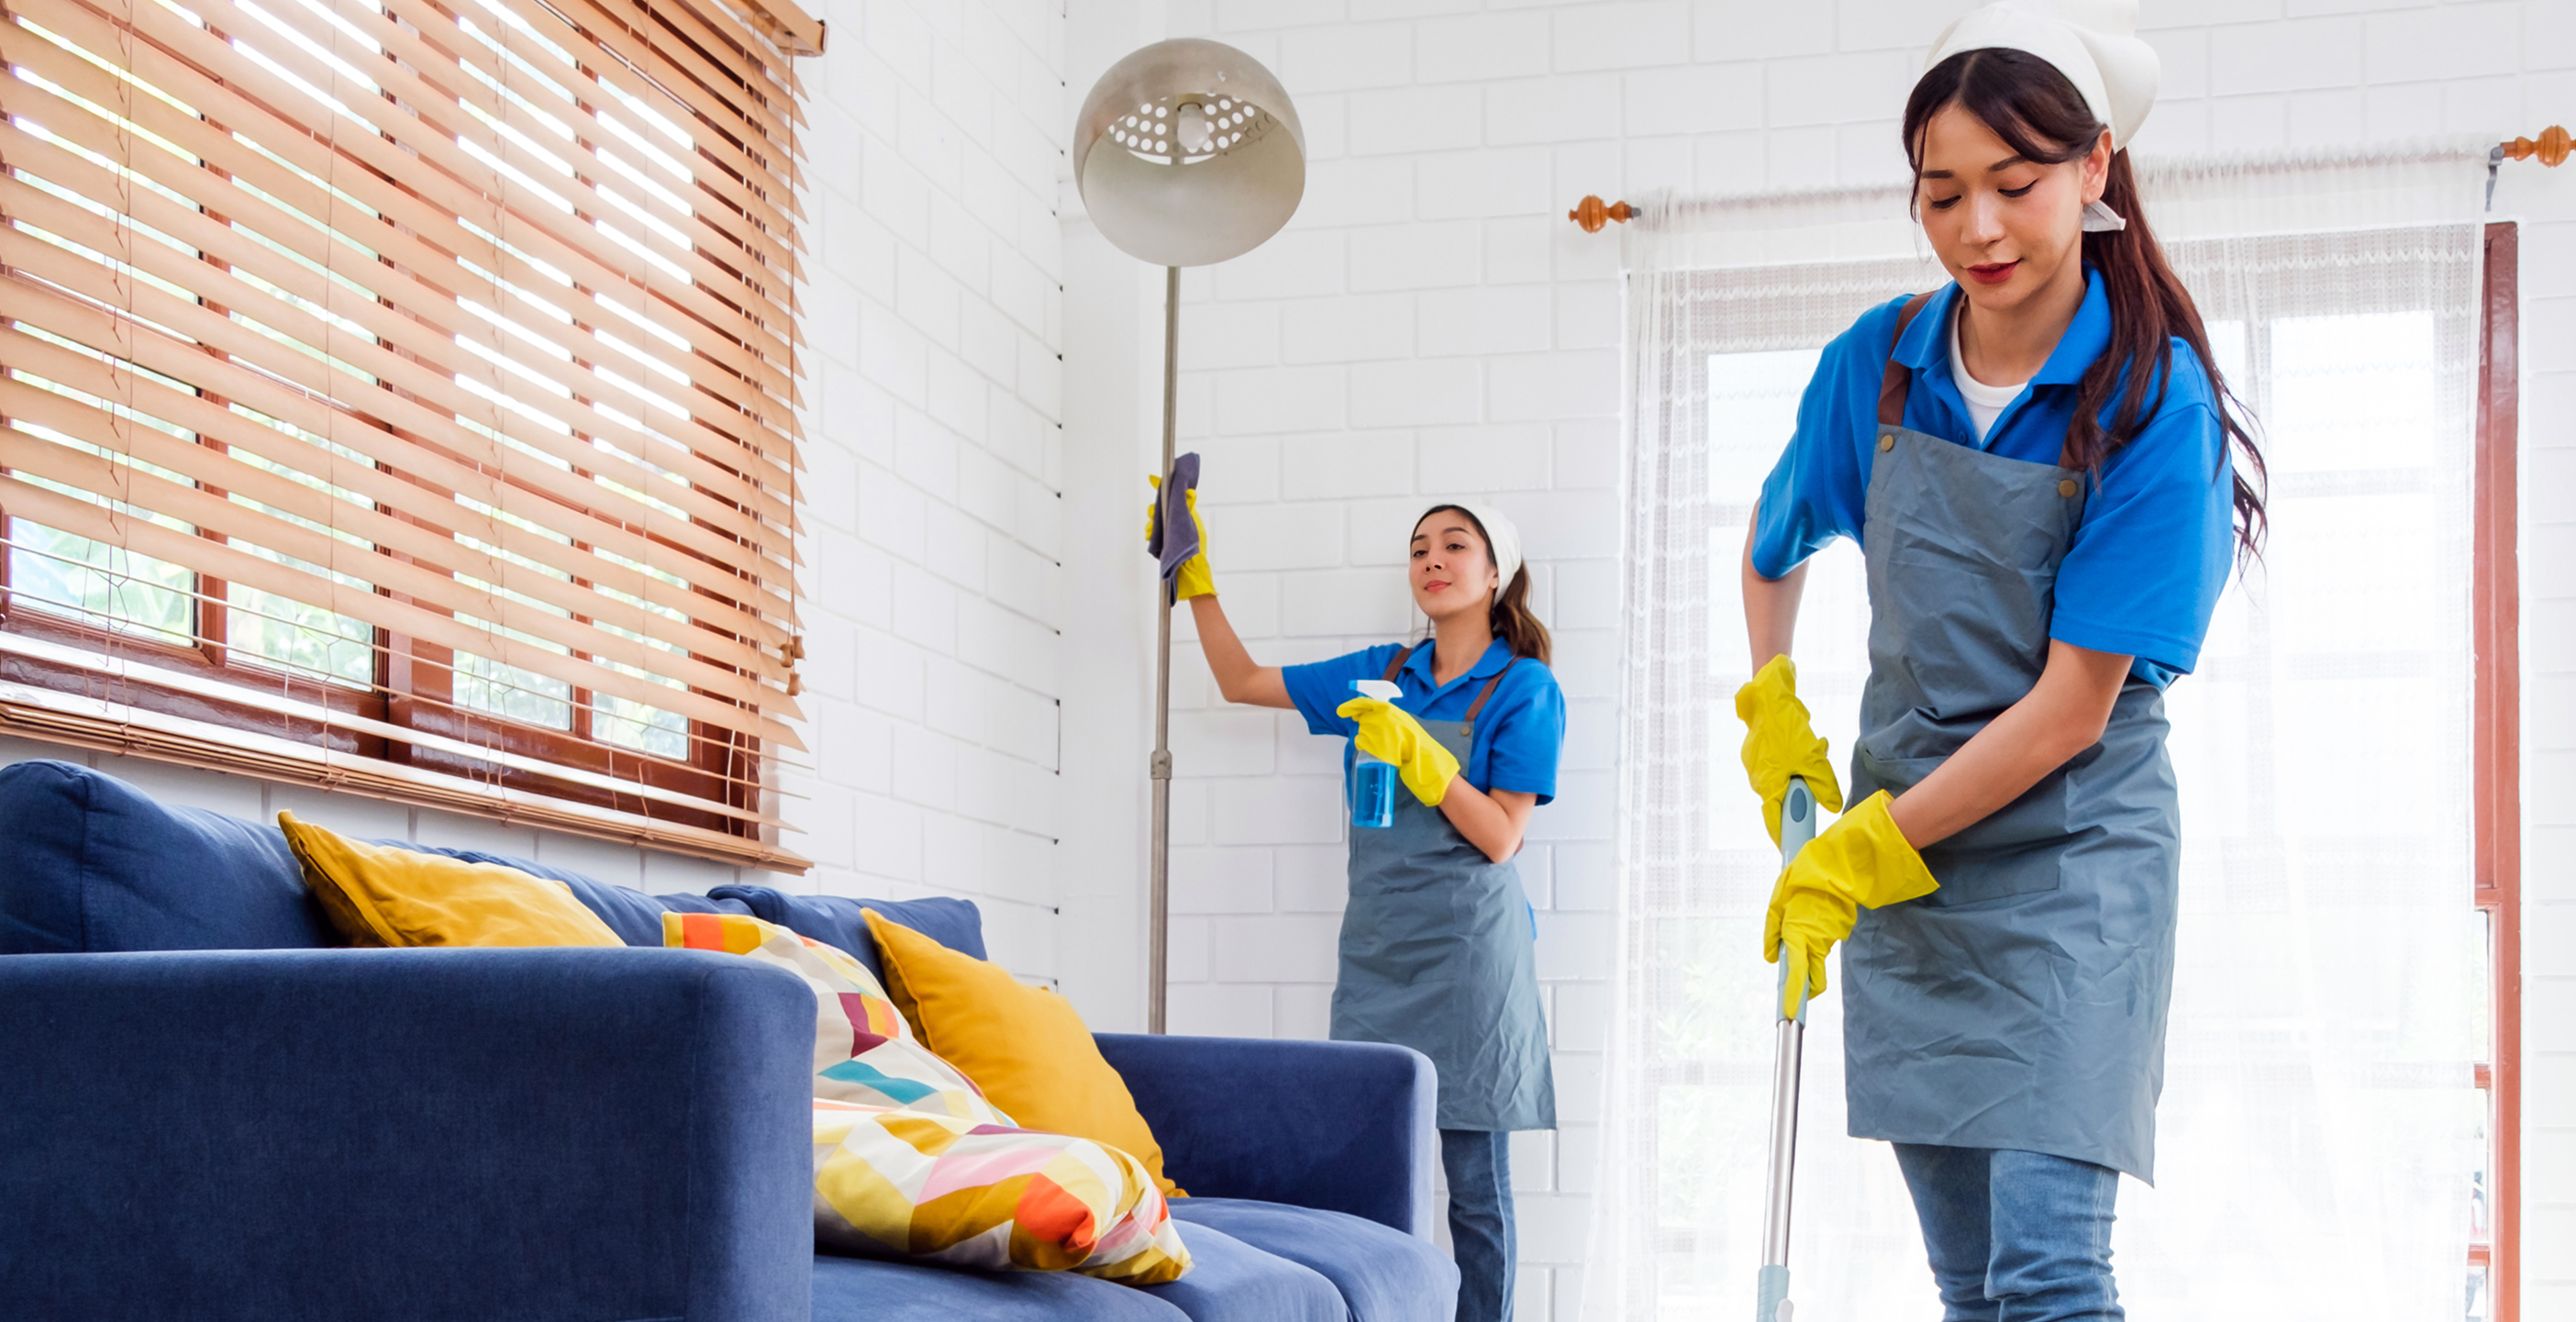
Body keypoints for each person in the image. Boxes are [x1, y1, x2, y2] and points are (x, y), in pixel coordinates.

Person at [1735, 3, 2266, 1319]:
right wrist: (1773, 702)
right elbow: (1773, 537)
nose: (1980, 229)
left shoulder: (2151, 398)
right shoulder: (1882, 360)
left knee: (2048, 1275)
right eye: (1943, 193)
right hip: (1911, 860)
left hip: (2071, 863)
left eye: (2016, 185)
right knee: (1970, 1284)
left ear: (2095, 169)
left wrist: (1855, 857)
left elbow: (2072, 711)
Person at [1160, 490, 1562, 1322]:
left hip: (1470, 963)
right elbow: (1239, 681)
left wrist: (1424, 757)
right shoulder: (1384, 675)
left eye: (1455, 546)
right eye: (1419, 550)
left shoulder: (1523, 688)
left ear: (1495, 574)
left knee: (1476, 1192)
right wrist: (1193, 573)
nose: (1434, 561)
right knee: (1370, 1173)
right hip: (1381, 953)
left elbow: (1501, 837)